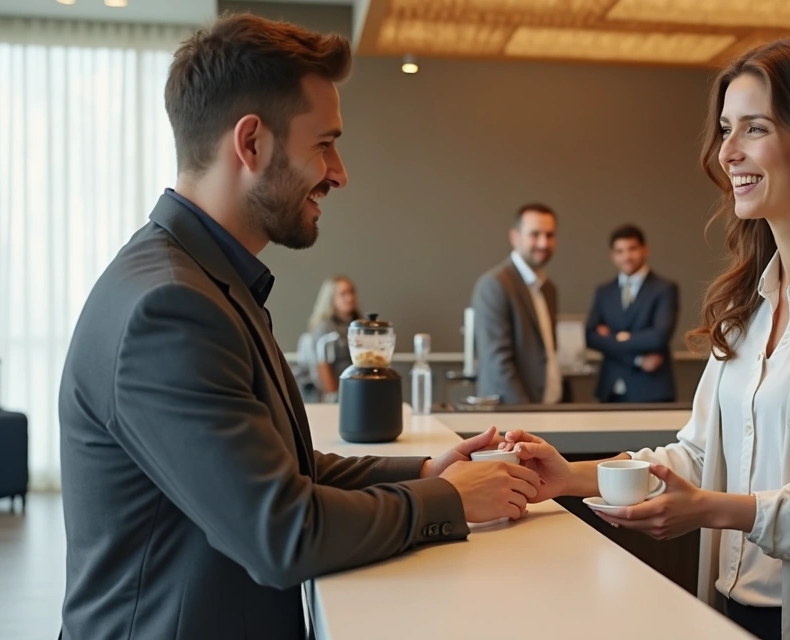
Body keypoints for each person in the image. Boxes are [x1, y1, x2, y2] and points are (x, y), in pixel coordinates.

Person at [57, 15, 540, 640]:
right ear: (251, 143)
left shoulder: (201, 279)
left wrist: (428, 473)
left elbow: (285, 469)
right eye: (324, 143)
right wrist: (451, 500)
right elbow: (283, 533)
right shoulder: (170, 308)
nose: (339, 172)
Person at [504, 38, 790, 640]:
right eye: (724, 129)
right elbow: (701, 457)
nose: (727, 152)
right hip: (735, 608)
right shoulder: (749, 307)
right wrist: (572, 478)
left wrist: (716, 509)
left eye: (754, 129)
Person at [470, 203, 565, 405]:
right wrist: (526, 414)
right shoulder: (494, 285)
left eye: (550, 235)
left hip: (547, 408)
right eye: (535, 234)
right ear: (515, 237)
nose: (543, 243)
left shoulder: (549, 288)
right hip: (513, 414)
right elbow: (498, 363)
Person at [585, 224, 679, 403]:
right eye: (619, 251)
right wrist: (637, 359)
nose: (626, 256)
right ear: (612, 256)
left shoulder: (664, 289)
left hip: (651, 389)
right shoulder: (603, 292)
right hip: (610, 389)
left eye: (632, 249)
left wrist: (613, 337)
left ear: (645, 249)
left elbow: (659, 337)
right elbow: (590, 336)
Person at [305, 275, 361, 392]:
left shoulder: (360, 324)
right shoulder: (324, 328)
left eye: (351, 292)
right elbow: (322, 365)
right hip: (337, 391)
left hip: (359, 387)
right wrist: (334, 395)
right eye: (343, 294)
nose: (349, 298)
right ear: (331, 298)